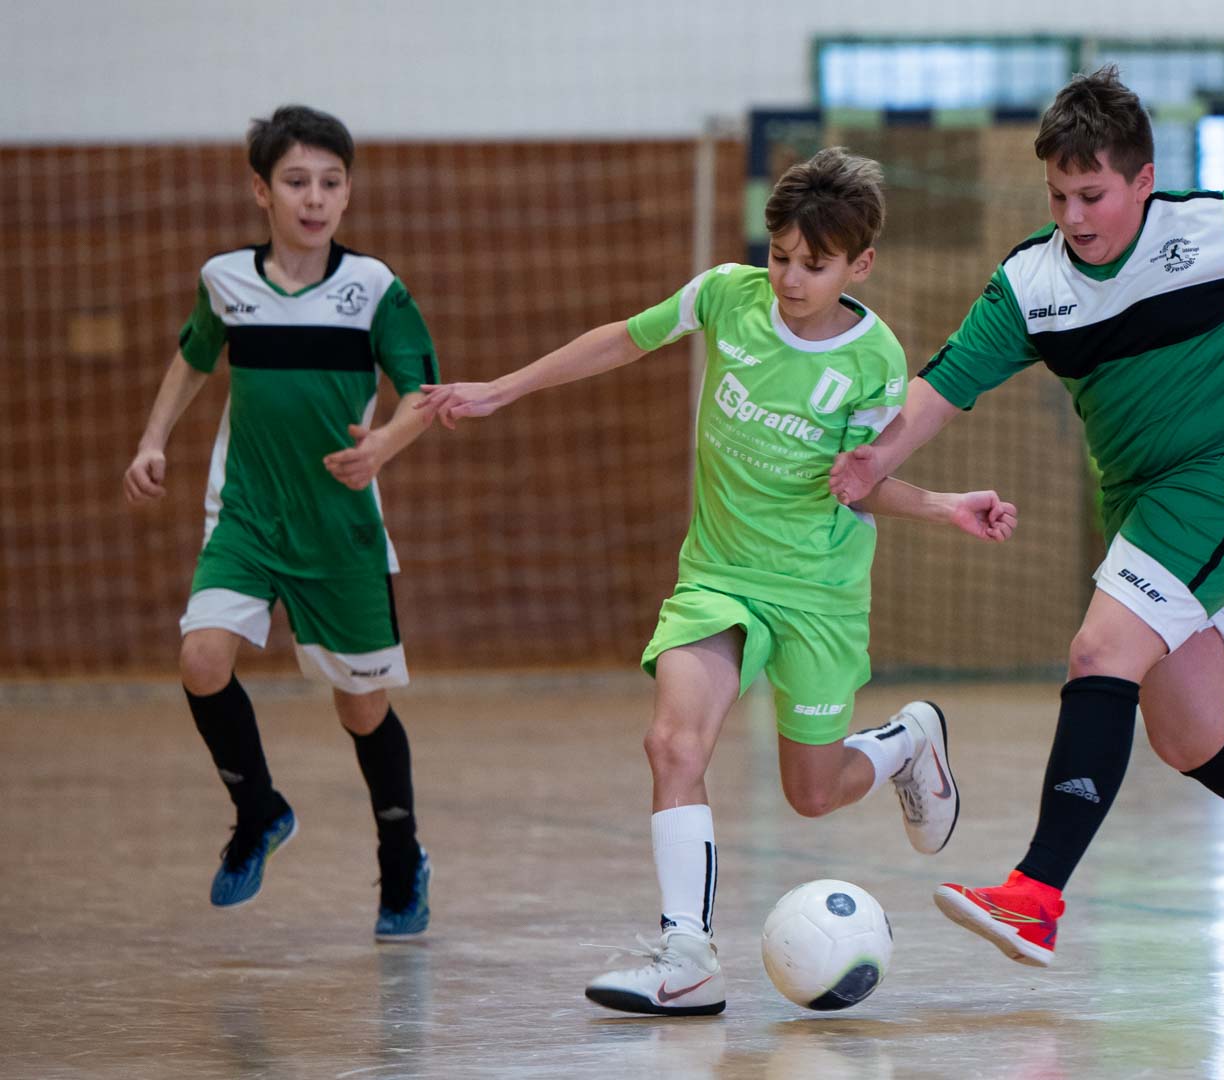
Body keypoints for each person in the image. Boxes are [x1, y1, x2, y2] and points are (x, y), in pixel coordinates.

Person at [830, 67, 1224, 978]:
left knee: (1098, 652)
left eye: (1093, 194)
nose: (1073, 216)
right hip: (1139, 499)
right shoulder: (1031, 283)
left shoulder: (1214, 231)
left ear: (1143, 181)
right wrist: (876, 459)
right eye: (1057, 196)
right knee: (1189, 735)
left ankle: (1037, 893)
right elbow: (944, 385)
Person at [418, 147, 1017, 1015]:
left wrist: (943, 504)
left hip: (815, 590)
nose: (789, 279)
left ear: (859, 266)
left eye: (813, 265)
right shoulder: (726, 297)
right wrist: (504, 390)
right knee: (672, 745)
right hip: (718, 576)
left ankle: (905, 741)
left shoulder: (874, 361)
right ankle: (688, 958)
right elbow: (626, 337)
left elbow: (860, 483)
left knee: (812, 794)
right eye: (779, 256)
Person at [123, 105, 438, 939]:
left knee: (360, 708)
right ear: (261, 190)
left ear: (348, 193)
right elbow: (193, 358)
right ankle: (258, 809)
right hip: (249, 515)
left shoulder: (373, 288)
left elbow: (423, 392)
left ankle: (401, 856)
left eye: (331, 182)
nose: (315, 197)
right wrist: (152, 441)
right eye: (297, 181)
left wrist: (382, 447)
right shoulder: (225, 280)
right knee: (201, 659)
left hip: (340, 528)